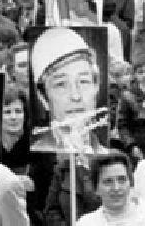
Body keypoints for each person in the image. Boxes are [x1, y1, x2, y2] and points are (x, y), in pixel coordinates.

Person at [29, 26, 106, 155]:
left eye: (83, 81)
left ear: (96, 86)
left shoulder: (107, 155)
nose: (76, 96)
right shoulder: (36, 154)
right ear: (43, 98)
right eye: (61, 84)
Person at [76, 151, 145, 226]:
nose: (116, 188)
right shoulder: (87, 223)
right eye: (108, 181)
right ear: (96, 188)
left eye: (122, 180)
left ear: (130, 183)